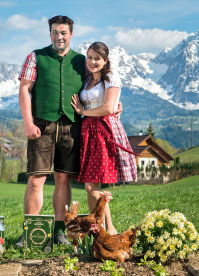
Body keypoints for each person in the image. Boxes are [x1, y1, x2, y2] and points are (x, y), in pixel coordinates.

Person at [16, 15, 86, 246]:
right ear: (50, 34)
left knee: (63, 179)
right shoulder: (35, 56)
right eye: (55, 32)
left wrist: (115, 104)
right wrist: (28, 122)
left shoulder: (82, 61)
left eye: (63, 32)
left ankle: (59, 232)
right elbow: (25, 89)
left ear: (71, 35)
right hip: (41, 125)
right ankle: (30, 233)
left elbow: (98, 87)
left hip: (71, 126)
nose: (59, 36)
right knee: (36, 179)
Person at [71, 42, 137, 235]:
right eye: (90, 57)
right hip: (87, 131)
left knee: (92, 185)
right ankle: (96, 227)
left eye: (97, 58)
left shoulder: (111, 77)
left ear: (105, 60)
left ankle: (110, 227)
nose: (92, 61)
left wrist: (83, 110)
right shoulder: (87, 79)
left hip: (103, 130)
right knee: (90, 185)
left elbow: (108, 108)